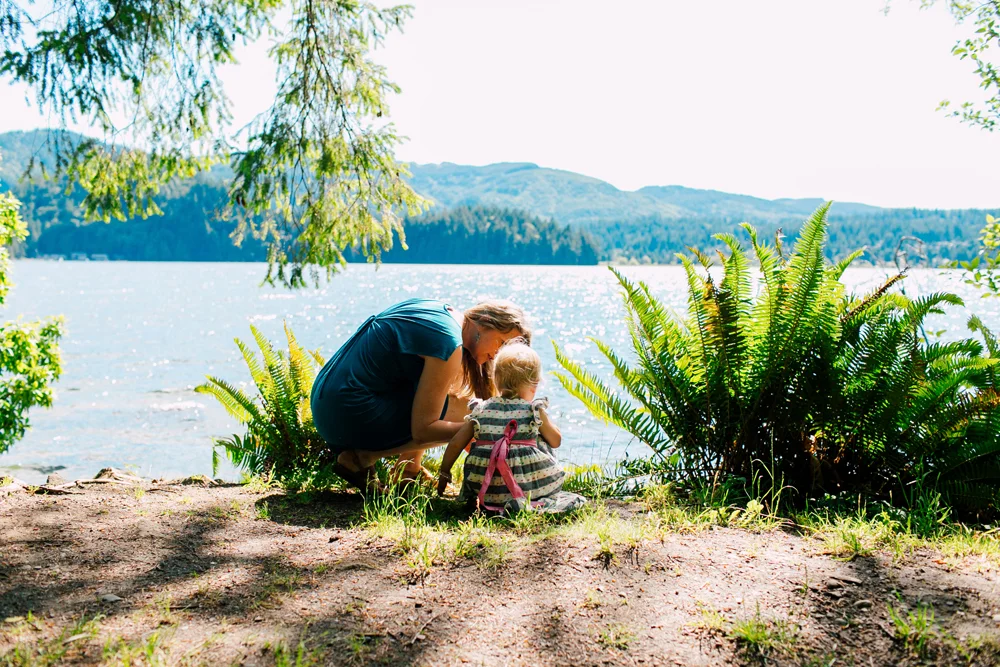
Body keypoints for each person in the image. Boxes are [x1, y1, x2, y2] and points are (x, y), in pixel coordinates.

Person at [309, 297, 530, 492]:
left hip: (328, 402)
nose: (499, 355)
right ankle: (361, 458)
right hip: (347, 411)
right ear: (485, 322)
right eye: (502, 343)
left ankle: (408, 472)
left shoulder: (443, 314)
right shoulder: (449, 344)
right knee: (469, 412)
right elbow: (423, 430)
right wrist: (483, 426)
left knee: (445, 400)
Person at [436, 341, 578, 514]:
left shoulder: (481, 410)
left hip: (486, 490)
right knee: (539, 438)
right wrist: (545, 422)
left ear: (496, 380)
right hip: (528, 488)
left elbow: (457, 443)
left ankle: (488, 503)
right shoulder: (533, 411)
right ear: (535, 385)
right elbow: (556, 441)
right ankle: (523, 501)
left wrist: (444, 472)